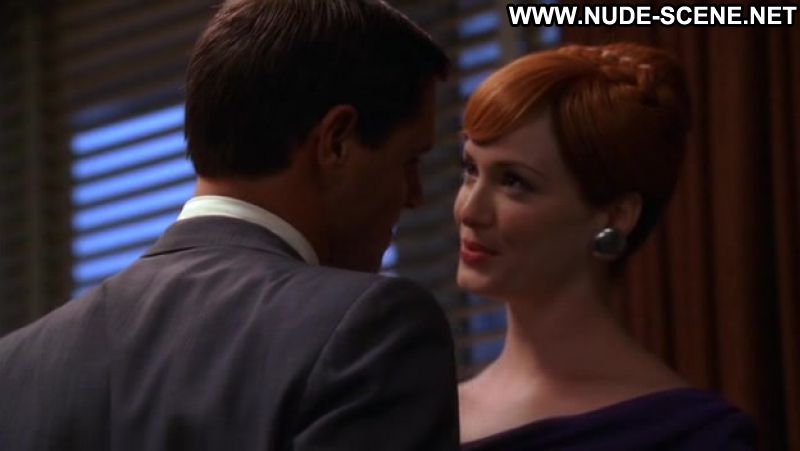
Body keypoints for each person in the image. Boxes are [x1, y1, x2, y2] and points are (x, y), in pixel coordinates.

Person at [0, 0, 459, 450]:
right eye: (410, 161)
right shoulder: (371, 332)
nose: (416, 195)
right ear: (336, 142)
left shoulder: (14, 366)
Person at [454, 43, 756, 450]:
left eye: (513, 181)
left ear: (616, 215)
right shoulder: (429, 416)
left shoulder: (693, 436)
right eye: (471, 169)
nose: (469, 210)